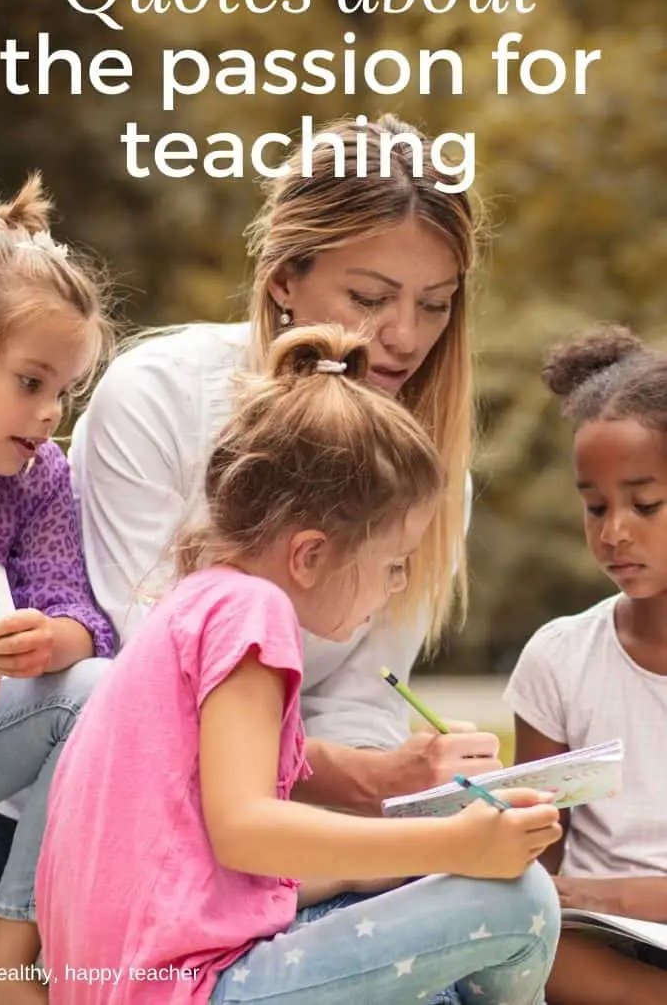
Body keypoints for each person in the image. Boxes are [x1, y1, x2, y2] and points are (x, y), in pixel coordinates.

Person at [37, 324, 562, 1005]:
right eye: (392, 564)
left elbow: (220, 875)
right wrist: (453, 846)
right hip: (187, 989)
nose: (395, 586)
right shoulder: (251, 613)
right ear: (311, 556)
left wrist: (407, 856)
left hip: (145, 979)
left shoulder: (200, 605)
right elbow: (248, 834)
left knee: (422, 900)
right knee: (517, 900)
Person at [69, 113, 502, 820]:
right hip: (109, 809)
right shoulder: (157, 396)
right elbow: (145, 683)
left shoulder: (429, 474)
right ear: (280, 281)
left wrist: (392, 783)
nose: (403, 336)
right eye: (368, 298)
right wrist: (365, 781)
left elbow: (361, 700)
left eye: (435, 306)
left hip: (281, 820)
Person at [0, 176, 115, 1005]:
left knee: (97, 690)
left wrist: (57, 640)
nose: (49, 414)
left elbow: (81, 614)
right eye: (31, 382)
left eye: (65, 391)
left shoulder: (39, 479)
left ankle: (1, 957)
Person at [504, 325, 667, 1005]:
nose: (613, 531)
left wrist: (593, 890)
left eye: (645, 504)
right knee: (517, 942)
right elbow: (534, 862)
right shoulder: (559, 657)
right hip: (600, 949)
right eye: (594, 506)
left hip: (612, 912)